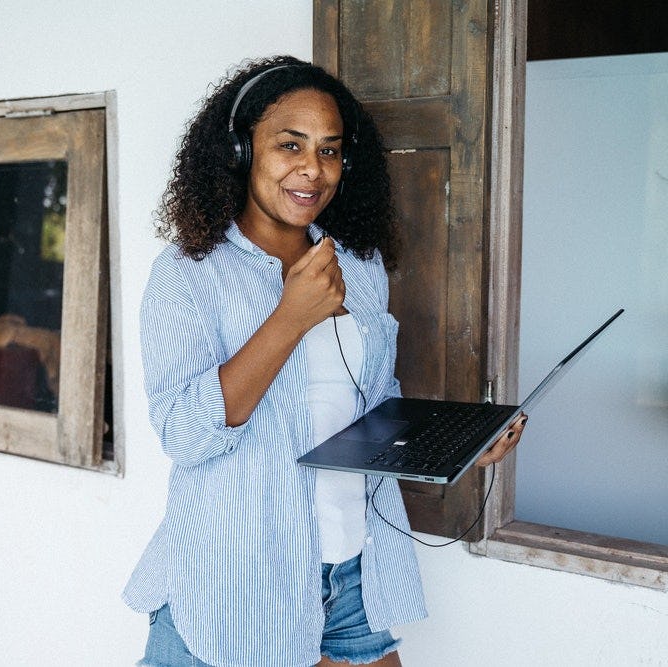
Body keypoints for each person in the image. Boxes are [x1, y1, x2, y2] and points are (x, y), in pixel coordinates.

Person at [123, 55, 526, 667]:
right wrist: (291, 317)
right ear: (240, 151)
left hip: (354, 572)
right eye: (290, 145)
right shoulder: (188, 273)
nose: (313, 170)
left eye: (331, 151)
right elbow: (183, 432)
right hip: (237, 580)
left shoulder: (358, 269)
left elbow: (370, 413)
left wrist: (458, 445)